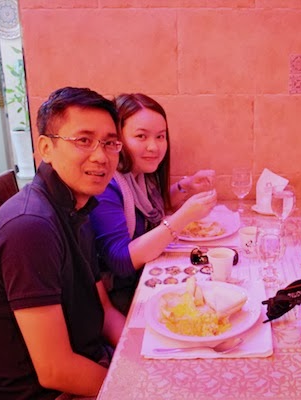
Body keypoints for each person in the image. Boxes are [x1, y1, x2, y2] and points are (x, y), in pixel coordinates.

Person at [0, 87, 126, 399]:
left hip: (87, 361)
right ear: (46, 147)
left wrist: (141, 353)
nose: (101, 156)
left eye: (110, 143)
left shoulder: (77, 208)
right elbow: (55, 369)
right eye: (83, 140)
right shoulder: (30, 228)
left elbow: (104, 309)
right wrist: (139, 388)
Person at [90, 93, 217, 314]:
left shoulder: (139, 173)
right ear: (117, 138)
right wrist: (182, 218)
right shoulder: (107, 185)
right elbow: (121, 261)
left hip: (144, 277)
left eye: (160, 136)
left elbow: (149, 212)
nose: (154, 147)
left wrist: (185, 186)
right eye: (141, 136)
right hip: (123, 295)